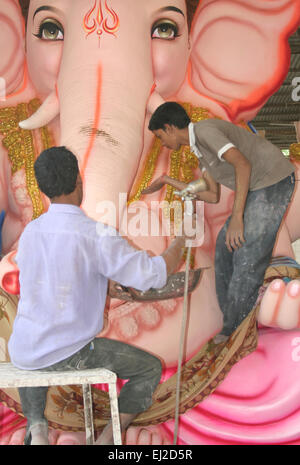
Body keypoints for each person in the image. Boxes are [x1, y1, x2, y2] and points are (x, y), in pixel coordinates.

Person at [8, 146, 188, 446]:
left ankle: (37, 428)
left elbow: (52, 282)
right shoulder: (95, 235)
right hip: (71, 353)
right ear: (79, 181)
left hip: (26, 349)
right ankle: (106, 439)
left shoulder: (31, 233)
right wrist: (181, 241)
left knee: (34, 354)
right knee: (150, 368)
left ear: (42, 188)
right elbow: (153, 275)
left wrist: (101, 284)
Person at [143, 102, 295, 343]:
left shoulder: (205, 131)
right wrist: (167, 181)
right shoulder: (199, 150)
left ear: (170, 128)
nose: (163, 144)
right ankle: (233, 322)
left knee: (248, 253)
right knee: (225, 250)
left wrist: (237, 218)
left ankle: (234, 330)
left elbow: (242, 164)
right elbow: (212, 196)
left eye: (161, 136)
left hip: (272, 179)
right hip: (256, 189)